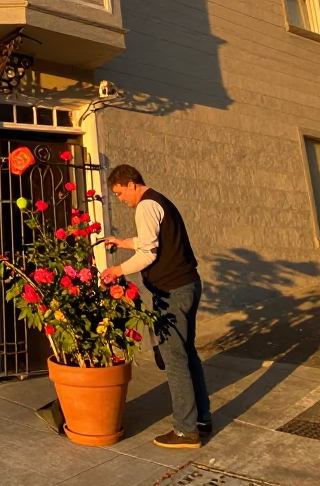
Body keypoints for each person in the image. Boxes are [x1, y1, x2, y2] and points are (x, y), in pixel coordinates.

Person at [100, 164, 212, 449]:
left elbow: (148, 254)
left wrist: (117, 271)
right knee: (187, 353)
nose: (121, 200)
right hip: (188, 285)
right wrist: (123, 242)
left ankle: (186, 432)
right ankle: (201, 419)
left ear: (131, 184)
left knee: (174, 358)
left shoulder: (146, 206)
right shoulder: (160, 201)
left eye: (120, 193)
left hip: (174, 291)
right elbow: (152, 241)